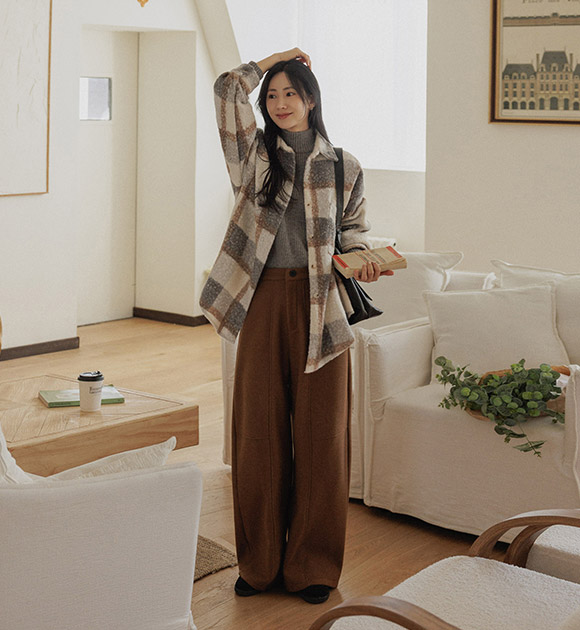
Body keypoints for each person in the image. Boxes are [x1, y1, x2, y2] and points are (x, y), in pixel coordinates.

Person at [200, 48, 392, 604]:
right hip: (263, 300)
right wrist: (272, 61)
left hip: (323, 305)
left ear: (311, 99)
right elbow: (226, 91)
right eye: (272, 95)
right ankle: (258, 565)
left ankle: (313, 568)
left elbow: (352, 231)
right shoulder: (254, 157)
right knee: (257, 436)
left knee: (322, 440)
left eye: (291, 93)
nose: (280, 103)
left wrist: (364, 259)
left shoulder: (344, 165)